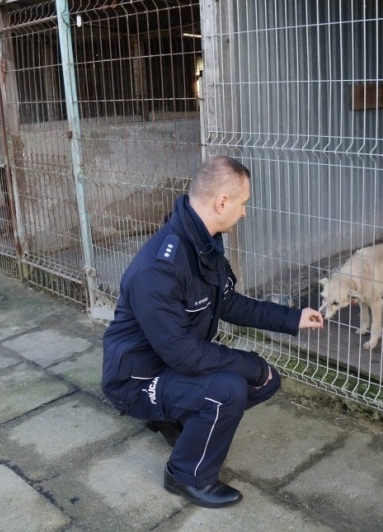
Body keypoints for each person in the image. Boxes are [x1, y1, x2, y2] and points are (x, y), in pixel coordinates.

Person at [102, 155, 324, 508]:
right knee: (229, 389)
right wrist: (249, 363)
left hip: (168, 365)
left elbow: (228, 303)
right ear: (222, 202)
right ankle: (186, 475)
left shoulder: (202, 243)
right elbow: (185, 355)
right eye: (243, 203)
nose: (244, 212)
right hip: (137, 381)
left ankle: (176, 417)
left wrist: (291, 318)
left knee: (266, 381)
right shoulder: (158, 269)